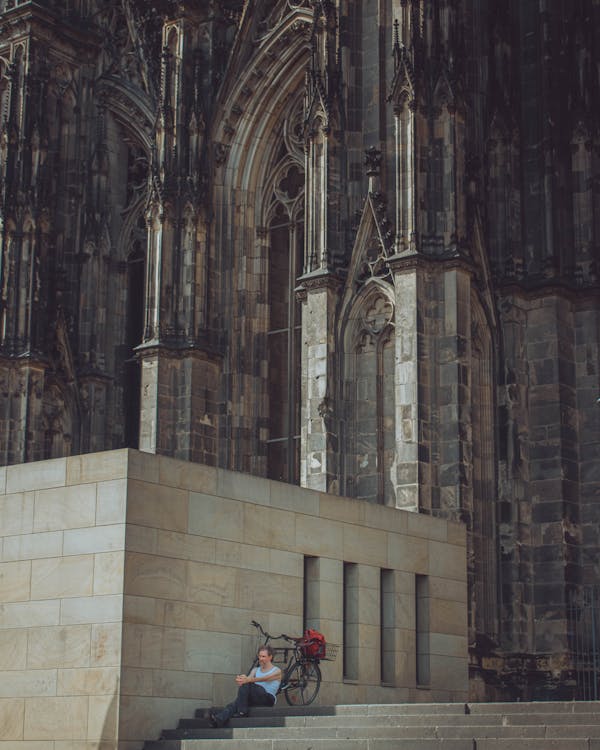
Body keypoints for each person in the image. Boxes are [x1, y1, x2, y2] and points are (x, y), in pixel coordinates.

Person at [209, 645, 281, 727]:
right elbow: (248, 679)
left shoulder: (277, 671)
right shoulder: (255, 670)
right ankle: (218, 719)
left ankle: (242, 711)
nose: (261, 659)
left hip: (267, 699)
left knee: (246, 684)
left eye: (263, 656)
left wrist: (247, 680)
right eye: (260, 656)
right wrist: (241, 680)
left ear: (270, 657)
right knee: (235, 703)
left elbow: (265, 678)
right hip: (255, 698)